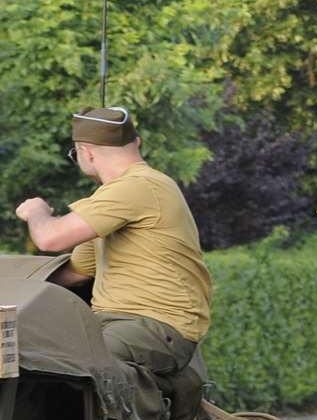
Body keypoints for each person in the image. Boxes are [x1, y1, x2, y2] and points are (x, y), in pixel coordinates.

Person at [15, 107, 212, 385]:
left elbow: (50, 238)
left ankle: (179, 392)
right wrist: (10, 283)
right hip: (117, 324)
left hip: (151, 326)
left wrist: (37, 212)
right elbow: (75, 273)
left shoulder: (138, 186)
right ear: (137, 143)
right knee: (29, 352)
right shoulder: (115, 199)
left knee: (68, 365)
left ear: (87, 152)